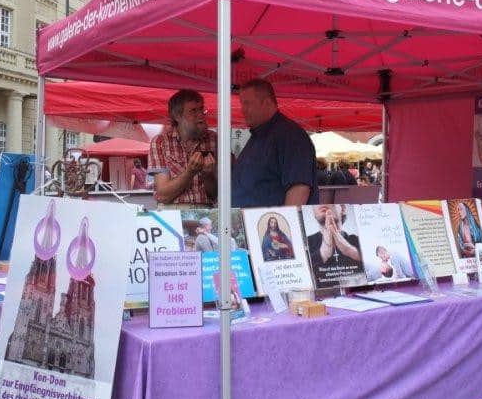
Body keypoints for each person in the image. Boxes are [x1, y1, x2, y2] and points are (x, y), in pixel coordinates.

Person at [234, 79, 318, 207]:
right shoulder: (258, 135)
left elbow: (299, 188)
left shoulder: (290, 135)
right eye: (242, 104)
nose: (243, 110)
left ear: (267, 103)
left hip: (269, 224)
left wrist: (286, 225)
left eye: (247, 103)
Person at [148, 89, 216, 206]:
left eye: (202, 109)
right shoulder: (160, 142)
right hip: (172, 212)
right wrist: (190, 172)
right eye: (193, 111)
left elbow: (215, 194)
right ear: (177, 116)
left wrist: (207, 175)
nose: (201, 115)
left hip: (205, 210)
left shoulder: (213, 139)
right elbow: (163, 195)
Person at [306, 204, 361, 275]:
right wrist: (323, 253)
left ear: (343, 209)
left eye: (328, 200)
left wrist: (349, 250)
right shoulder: (305, 243)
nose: (321, 203)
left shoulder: (358, 241)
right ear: (314, 213)